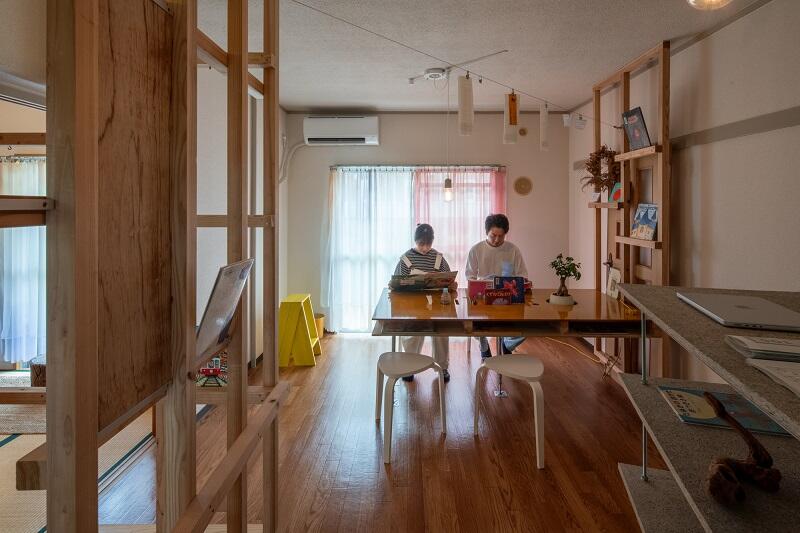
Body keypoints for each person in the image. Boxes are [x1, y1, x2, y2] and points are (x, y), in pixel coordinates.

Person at [392, 223, 454, 382]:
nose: (425, 248)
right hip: (412, 305)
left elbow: (449, 280)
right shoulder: (406, 259)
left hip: (436, 305)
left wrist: (449, 283)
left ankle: (442, 367)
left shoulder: (438, 258)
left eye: (428, 244)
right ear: (415, 241)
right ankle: (409, 366)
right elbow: (396, 283)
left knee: (441, 332)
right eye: (421, 244)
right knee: (412, 333)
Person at [465, 213, 528, 358]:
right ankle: (483, 344)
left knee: (529, 325)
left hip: (508, 297)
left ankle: (507, 343)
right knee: (472, 320)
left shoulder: (513, 250)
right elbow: (470, 276)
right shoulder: (476, 249)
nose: (497, 240)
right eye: (493, 235)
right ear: (486, 232)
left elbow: (522, 275)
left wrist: (519, 284)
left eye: (501, 236)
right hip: (483, 298)